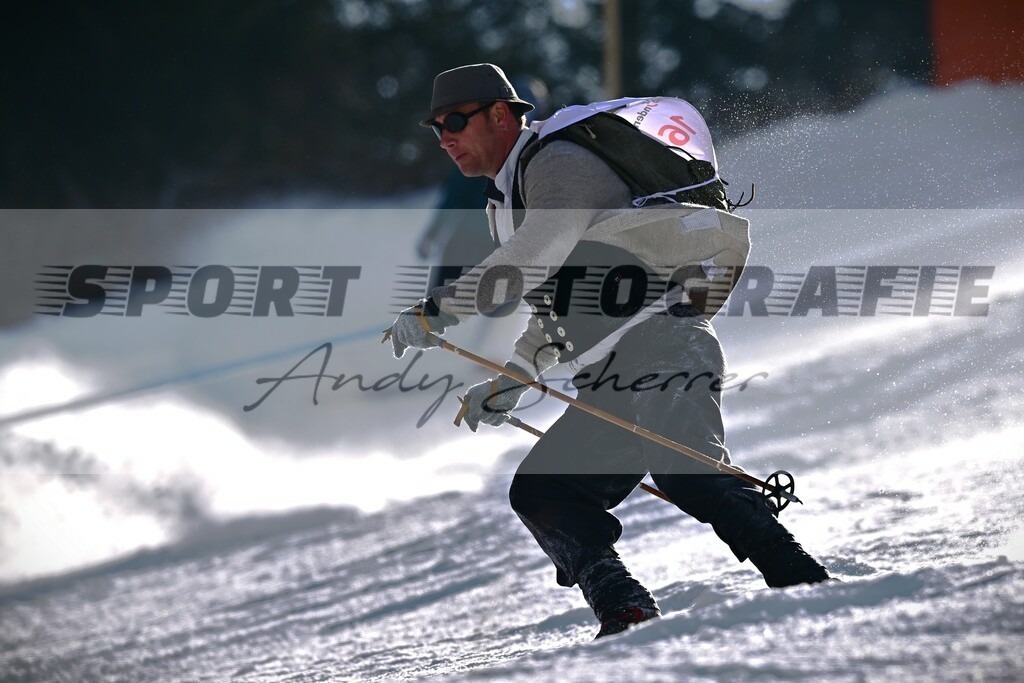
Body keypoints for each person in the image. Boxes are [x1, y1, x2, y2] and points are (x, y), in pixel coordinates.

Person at [388, 63, 830, 638]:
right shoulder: (504, 200)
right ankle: (625, 608)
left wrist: (437, 310)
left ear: (501, 115)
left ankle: (803, 582)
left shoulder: (556, 162)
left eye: (454, 120)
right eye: (436, 127)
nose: (444, 136)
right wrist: (509, 381)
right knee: (546, 491)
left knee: (687, 472)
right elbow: (557, 306)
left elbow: (535, 256)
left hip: (665, 343)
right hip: (612, 375)